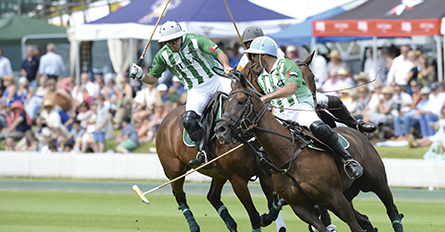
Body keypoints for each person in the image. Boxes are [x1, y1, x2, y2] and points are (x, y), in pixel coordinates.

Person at [245, 36, 363, 179]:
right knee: (264, 152)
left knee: (319, 127)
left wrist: (265, 98)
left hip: (299, 107)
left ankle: (348, 160)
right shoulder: (262, 77)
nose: (252, 58)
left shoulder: (287, 65)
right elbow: (274, 103)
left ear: (263, 55)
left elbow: (291, 88)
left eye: (254, 55)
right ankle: (283, 186)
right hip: (281, 115)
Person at [130, 20, 233, 166]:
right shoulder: (163, 56)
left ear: (181, 36)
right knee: (188, 120)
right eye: (170, 42)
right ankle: (204, 152)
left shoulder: (196, 40)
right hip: (197, 89)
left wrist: (226, 66)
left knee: (242, 96)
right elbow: (152, 79)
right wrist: (141, 75)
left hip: (216, 79)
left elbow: (218, 52)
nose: (174, 44)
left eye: (176, 39)